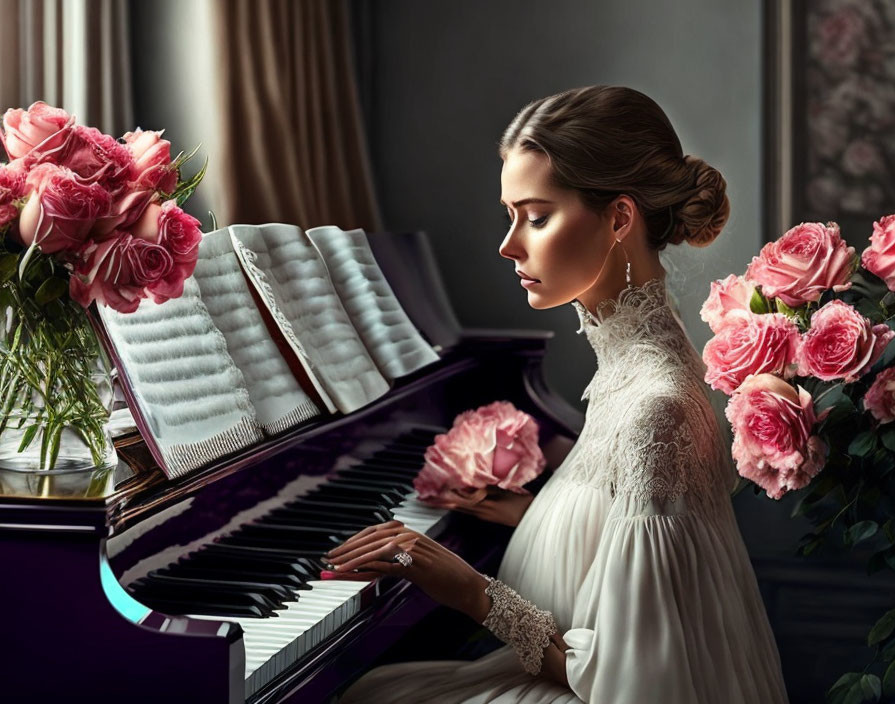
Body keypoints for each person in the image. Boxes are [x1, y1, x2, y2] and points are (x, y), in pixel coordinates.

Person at [328, 85, 790, 703]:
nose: (509, 244)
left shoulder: (656, 403)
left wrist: (466, 587)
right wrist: (538, 518)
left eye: (537, 216)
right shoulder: (634, 359)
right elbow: (633, 549)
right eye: (510, 215)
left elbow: (626, 680)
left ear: (620, 218)